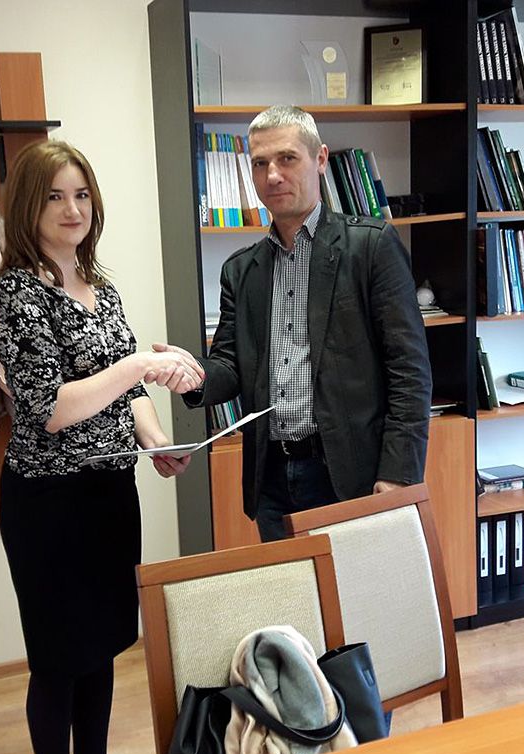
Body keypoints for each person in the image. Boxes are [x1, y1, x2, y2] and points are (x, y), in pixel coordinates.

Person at [0, 140, 202, 754]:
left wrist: (157, 442)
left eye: (81, 194)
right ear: (29, 205)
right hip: (47, 505)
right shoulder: (15, 294)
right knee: (59, 660)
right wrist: (139, 363)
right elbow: (51, 408)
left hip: (110, 492)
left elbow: (127, 392)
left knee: (103, 646)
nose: (72, 208)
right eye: (55, 196)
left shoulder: (101, 289)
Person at [173, 104, 432, 542]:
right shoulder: (242, 270)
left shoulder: (371, 248)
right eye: (260, 164)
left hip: (351, 475)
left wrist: (398, 473)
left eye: (287, 159)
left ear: (320, 159)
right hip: (273, 479)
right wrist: (190, 375)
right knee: (290, 589)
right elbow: (231, 366)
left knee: (356, 588)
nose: (273, 175)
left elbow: (409, 370)